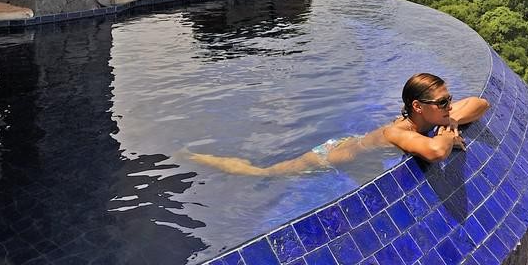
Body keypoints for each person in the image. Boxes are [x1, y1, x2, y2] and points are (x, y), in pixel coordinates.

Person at [187, 73, 488, 176]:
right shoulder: (397, 132)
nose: (450, 105)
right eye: (443, 103)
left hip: (355, 145)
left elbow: (479, 103)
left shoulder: (433, 115)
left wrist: (450, 120)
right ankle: (199, 158)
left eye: (449, 99)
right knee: (262, 173)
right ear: (418, 107)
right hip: (329, 156)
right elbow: (436, 152)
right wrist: (448, 133)